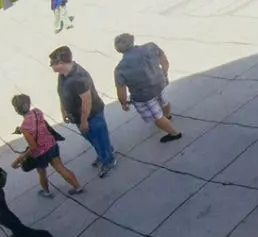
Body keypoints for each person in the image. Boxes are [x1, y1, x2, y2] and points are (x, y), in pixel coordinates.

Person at [50, 47, 117, 176]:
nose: (52, 66)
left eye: (53, 63)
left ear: (61, 63)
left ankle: (108, 160)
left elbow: (87, 101)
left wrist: (84, 121)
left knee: (99, 137)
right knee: (91, 138)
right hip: (77, 116)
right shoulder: (63, 75)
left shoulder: (79, 78)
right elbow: (61, 94)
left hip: (92, 115)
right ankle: (104, 152)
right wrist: (63, 111)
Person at [11, 92, 84, 199]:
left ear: (17, 110)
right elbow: (40, 125)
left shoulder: (24, 127)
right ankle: (77, 186)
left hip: (41, 153)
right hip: (52, 145)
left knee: (42, 173)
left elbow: (33, 146)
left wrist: (20, 158)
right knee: (61, 168)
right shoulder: (37, 112)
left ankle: (46, 192)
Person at [113, 34, 182, 141]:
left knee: (156, 117)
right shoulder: (151, 47)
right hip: (159, 83)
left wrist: (124, 103)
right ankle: (167, 116)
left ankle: (174, 133)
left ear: (119, 50)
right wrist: (164, 73)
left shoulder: (120, 69)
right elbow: (164, 61)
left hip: (143, 96)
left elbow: (121, 91)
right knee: (164, 101)